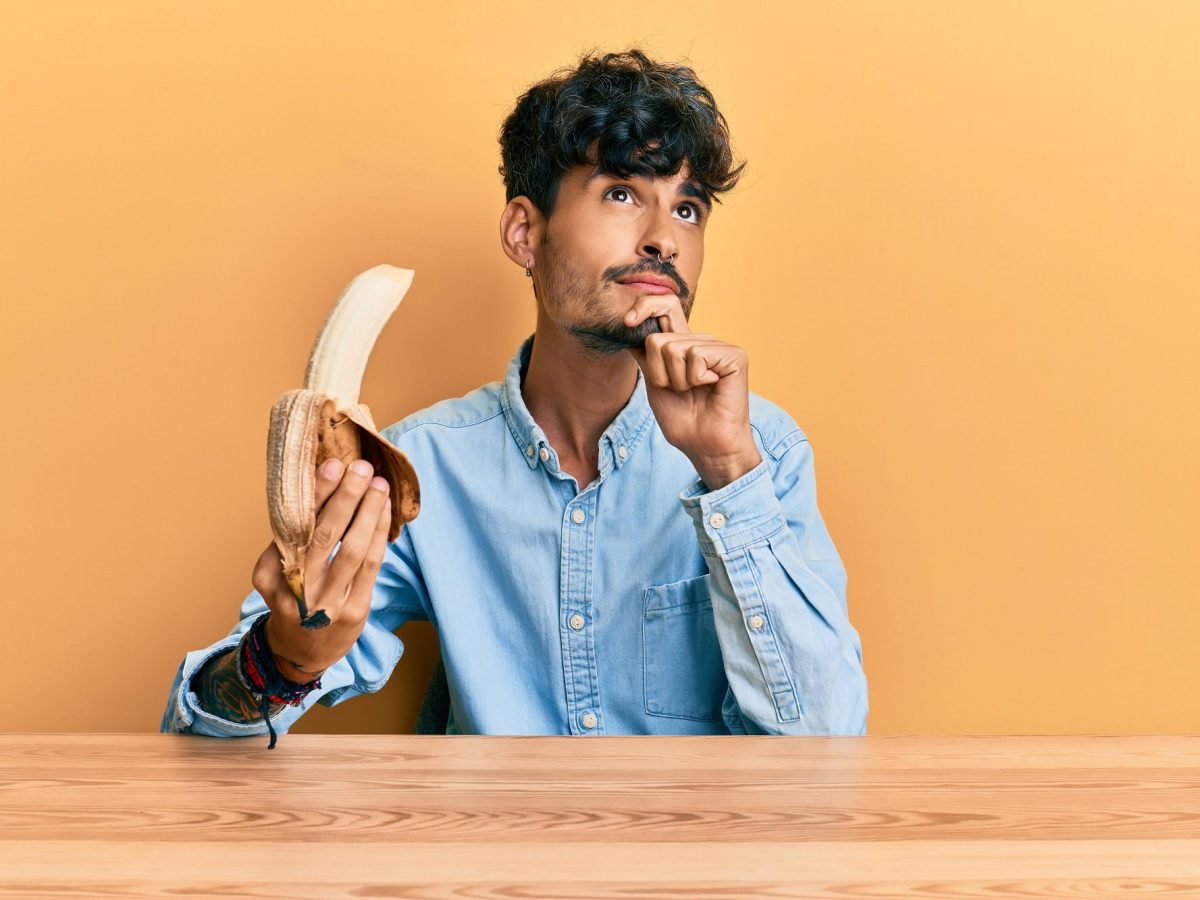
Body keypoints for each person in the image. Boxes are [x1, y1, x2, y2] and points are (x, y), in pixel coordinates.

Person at [161, 47, 868, 743]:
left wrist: (727, 475)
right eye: (622, 194)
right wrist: (280, 664)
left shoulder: (761, 453)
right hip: (488, 854)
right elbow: (205, 730)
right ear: (525, 232)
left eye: (688, 209)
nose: (664, 240)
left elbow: (829, 740)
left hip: (694, 854)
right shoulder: (421, 468)